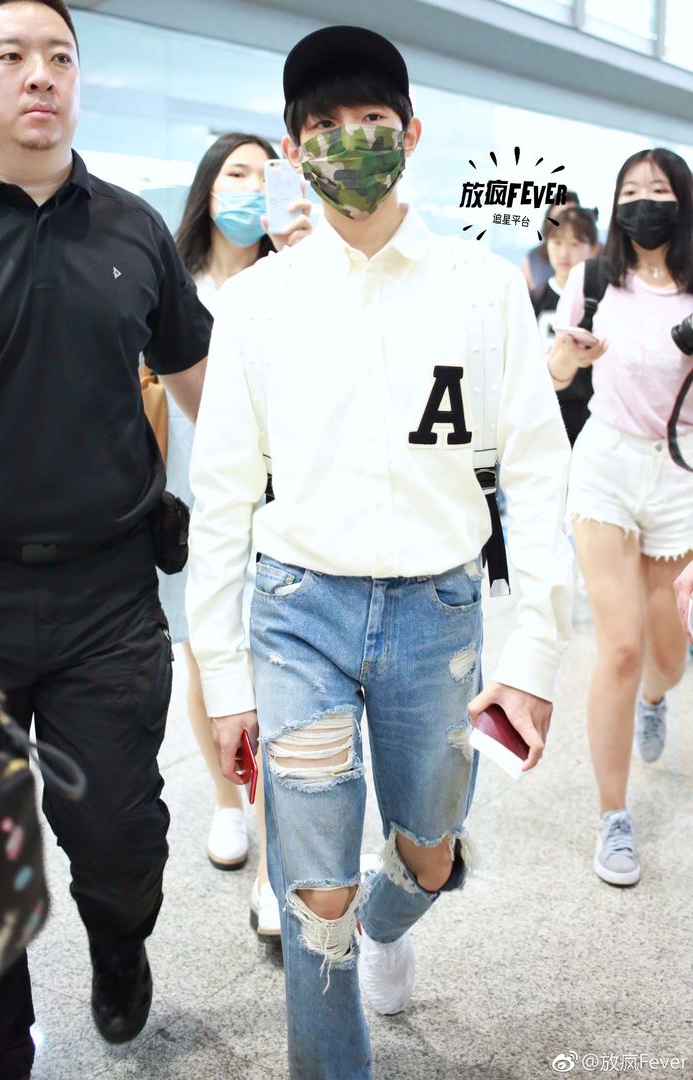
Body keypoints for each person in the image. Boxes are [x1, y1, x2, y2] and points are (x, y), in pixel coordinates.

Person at [187, 24, 573, 1079]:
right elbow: (222, 497)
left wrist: (536, 653)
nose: (349, 140)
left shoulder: (481, 289)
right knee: (314, 898)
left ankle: (393, 916)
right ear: (293, 149)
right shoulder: (258, 303)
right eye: (324, 125)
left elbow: (540, 474)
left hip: (438, 617)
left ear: (411, 132)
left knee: (429, 849)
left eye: (371, 119)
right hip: (298, 612)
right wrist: (224, 676)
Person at [0, 1, 212, 1076]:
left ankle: (120, 944)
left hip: (107, 596)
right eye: (11, 55)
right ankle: (1, 1044)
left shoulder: (132, 228)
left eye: (60, 56)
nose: (41, 75)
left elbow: (207, 387)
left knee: (119, 839)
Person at [165, 132, 311, 940]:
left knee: (274, 672)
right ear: (207, 187)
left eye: (266, 173)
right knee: (205, 653)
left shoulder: (294, 278)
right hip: (193, 497)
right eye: (236, 173)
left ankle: (273, 865)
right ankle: (228, 801)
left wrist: (306, 252)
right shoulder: (175, 284)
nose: (252, 187)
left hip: (281, 499)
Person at [548, 147, 693, 887]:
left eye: (658, 189)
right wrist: (571, 355)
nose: (644, 201)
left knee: (667, 655)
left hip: (680, 476)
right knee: (623, 646)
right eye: (631, 189)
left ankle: (656, 699)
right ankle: (613, 817)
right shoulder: (593, 280)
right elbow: (553, 373)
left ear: (682, 202)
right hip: (605, 464)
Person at [530, 205, 598, 444]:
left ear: (593, 248)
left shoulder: (601, 300)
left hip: (588, 415)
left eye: (574, 244)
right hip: (542, 410)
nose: (564, 253)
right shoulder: (533, 299)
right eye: (557, 242)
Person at [521, 189, 580, 291]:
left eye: (569, 216)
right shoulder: (533, 257)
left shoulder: (592, 255)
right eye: (559, 217)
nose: (564, 223)